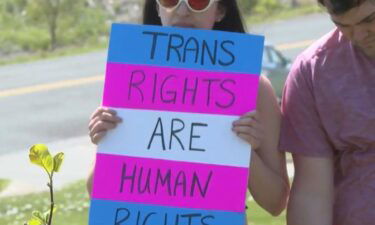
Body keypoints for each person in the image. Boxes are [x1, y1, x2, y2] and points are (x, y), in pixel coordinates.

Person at [87, 0, 290, 218]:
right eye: (169, 0)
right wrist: (106, 140)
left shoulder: (255, 89)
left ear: (220, 10)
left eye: (198, 2)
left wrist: (243, 151)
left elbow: (276, 202)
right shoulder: (134, 80)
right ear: (157, 8)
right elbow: (95, 189)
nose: (182, 11)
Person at [279, 0, 375, 224]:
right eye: (343, 25)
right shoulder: (312, 72)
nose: (359, 35)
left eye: (369, 20)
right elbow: (312, 194)